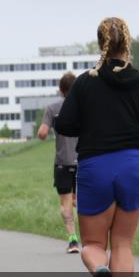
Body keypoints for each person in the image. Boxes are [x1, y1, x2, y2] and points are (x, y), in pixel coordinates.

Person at [54, 17, 139, 277]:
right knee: (122, 244)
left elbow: (64, 124)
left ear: (99, 44)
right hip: (134, 165)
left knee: (92, 242)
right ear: (127, 44)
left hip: (95, 167)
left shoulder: (85, 83)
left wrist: (91, 124)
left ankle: (100, 269)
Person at [37, 72, 80, 253]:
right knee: (83, 203)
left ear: (61, 90)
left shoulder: (52, 108)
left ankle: (73, 240)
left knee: (65, 204)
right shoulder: (84, 107)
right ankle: (93, 241)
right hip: (84, 162)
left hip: (63, 163)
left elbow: (42, 133)